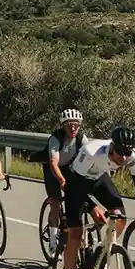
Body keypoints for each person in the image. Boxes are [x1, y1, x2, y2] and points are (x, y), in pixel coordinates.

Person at [61, 122, 135, 269]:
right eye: (120, 153)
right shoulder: (92, 151)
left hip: (99, 178)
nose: (124, 158)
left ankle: (101, 251)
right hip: (77, 181)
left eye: (128, 153)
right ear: (112, 147)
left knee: (120, 217)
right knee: (75, 234)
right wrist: (93, 207)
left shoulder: (130, 155)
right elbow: (76, 186)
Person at [43, 108, 86, 256]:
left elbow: (89, 157)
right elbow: (53, 163)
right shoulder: (56, 139)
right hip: (52, 170)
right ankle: (53, 240)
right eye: (69, 125)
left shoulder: (81, 138)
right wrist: (61, 180)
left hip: (68, 168)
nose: (73, 128)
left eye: (76, 124)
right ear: (63, 125)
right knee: (56, 203)